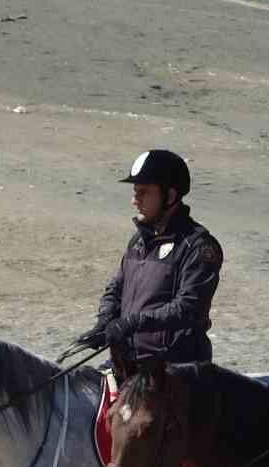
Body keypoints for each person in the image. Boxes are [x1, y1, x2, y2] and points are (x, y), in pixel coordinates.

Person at [74, 149, 223, 373]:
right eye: (135, 192)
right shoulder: (139, 242)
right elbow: (116, 289)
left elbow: (188, 307)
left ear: (170, 196)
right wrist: (104, 321)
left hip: (172, 371)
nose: (134, 201)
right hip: (127, 362)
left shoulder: (198, 247)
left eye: (143, 193)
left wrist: (133, 323)